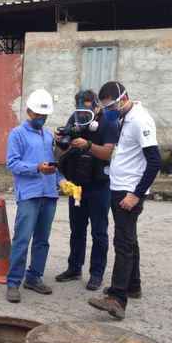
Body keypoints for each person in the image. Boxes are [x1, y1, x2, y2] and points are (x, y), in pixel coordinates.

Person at [88, 81, 161, 320]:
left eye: (113, 105)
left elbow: (154, 161)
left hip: (129, 191)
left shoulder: (140, 120)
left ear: (124, 97)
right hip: (119, 186)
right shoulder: (124, 117)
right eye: (107, 107)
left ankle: (117, 298)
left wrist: (136, 194)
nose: (110, 110)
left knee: (123, 243)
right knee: (130, 240)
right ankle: (133, 285)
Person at [54, 90, 119, 291]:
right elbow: (62, 150)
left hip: (99, 185)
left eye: (88, 107)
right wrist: (60, 140)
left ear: (97, 106)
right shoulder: (75, 119)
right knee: (77, 230)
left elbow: (108, 152)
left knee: (99, 232)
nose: (83, 113)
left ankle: (97, 274)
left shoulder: (107, 122)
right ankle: (74, 268)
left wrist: (88, 145)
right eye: (80, 109)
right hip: (77, 186)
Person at [5, 89, 64, 304]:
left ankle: (34, 277)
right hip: (29, 194)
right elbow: (12, 164)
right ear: (29, 112)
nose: (42, 119)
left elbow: (54, 164)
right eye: (39, 115)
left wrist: (61, 180)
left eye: (44, 116)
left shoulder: (48, 135)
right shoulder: (17, 134)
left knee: (42, 240)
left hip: (49, 193)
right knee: (22, 239)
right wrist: (36, 168)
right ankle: (13, 282)